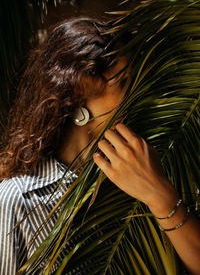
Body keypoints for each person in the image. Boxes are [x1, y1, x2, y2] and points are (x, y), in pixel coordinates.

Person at [0, 17, 199, 275]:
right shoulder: (15, 201)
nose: (136, 96)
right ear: (81, 86)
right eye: (123, 83)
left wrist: (160, 196)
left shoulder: (151, 169)